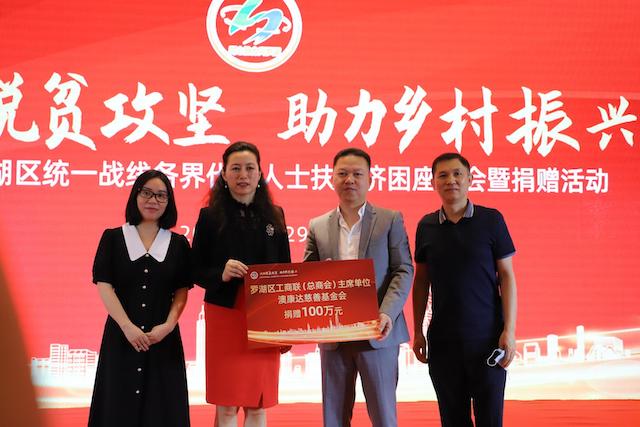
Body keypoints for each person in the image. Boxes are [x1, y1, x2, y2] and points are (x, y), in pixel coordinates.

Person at [304, 148, 414, 427]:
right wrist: (320, 274)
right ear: (332, 178)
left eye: (357, 174)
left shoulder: (390, 219)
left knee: (383, 416)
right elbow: (306, 276)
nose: (349, 180)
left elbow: (403, 269)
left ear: (370, 179)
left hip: (378, 331)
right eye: (342, 173)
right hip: (334, 335)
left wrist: (387, 313)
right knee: (334, 418)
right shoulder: (318, 226)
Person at [412, 152, 518, 427]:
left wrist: (509, 330)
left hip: (487, 339)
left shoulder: (491, 220)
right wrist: (418, 332)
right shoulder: (426, 226)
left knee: (490, 419)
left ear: (470, 179)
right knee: (452, 419)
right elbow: (421, 281)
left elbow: (507, 276)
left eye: (457, 174)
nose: (451, 180)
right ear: (433, 182)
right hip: (443, 341)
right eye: (443, 175)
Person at [191, 141, 291, 427]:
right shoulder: (209, 217)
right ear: (224, 174)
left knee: (257, 404)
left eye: (249, 168)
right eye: (235, 168)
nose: (243, 175)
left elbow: (285, 272)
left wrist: (286, 327)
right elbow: (195, 269)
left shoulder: (275, 215)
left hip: (265, 318)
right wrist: (220, 273)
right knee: (227, 405)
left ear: (260, 173)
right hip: (225, 315)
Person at [89, 169, 191, 427]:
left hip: (162, 339)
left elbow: (182, 290)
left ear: (169, 202)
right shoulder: (113, 238)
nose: (153, 200)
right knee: (117, 405)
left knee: (163, 407)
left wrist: (168, 325)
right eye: (146, 193)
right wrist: (127, 327)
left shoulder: (178, 244)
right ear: (135, 196)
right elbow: (104, 285)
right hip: (122, 337)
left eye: (161, 195)